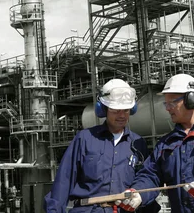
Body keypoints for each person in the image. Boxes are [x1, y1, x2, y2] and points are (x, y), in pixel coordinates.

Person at [116, 73, 194, 213]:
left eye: (172, 103)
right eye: (166, 103)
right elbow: (151, 174)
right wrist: (139, 193)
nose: (167, 108)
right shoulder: (166, 144)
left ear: (191, 100)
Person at [44, 79, 160, 213]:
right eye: (116, 110)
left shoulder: (138, 143)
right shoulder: (85, 139)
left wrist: (140, 194)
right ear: (103, 109)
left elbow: (147, 177)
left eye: (126, 110)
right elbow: (63, 182)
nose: (122, 115)